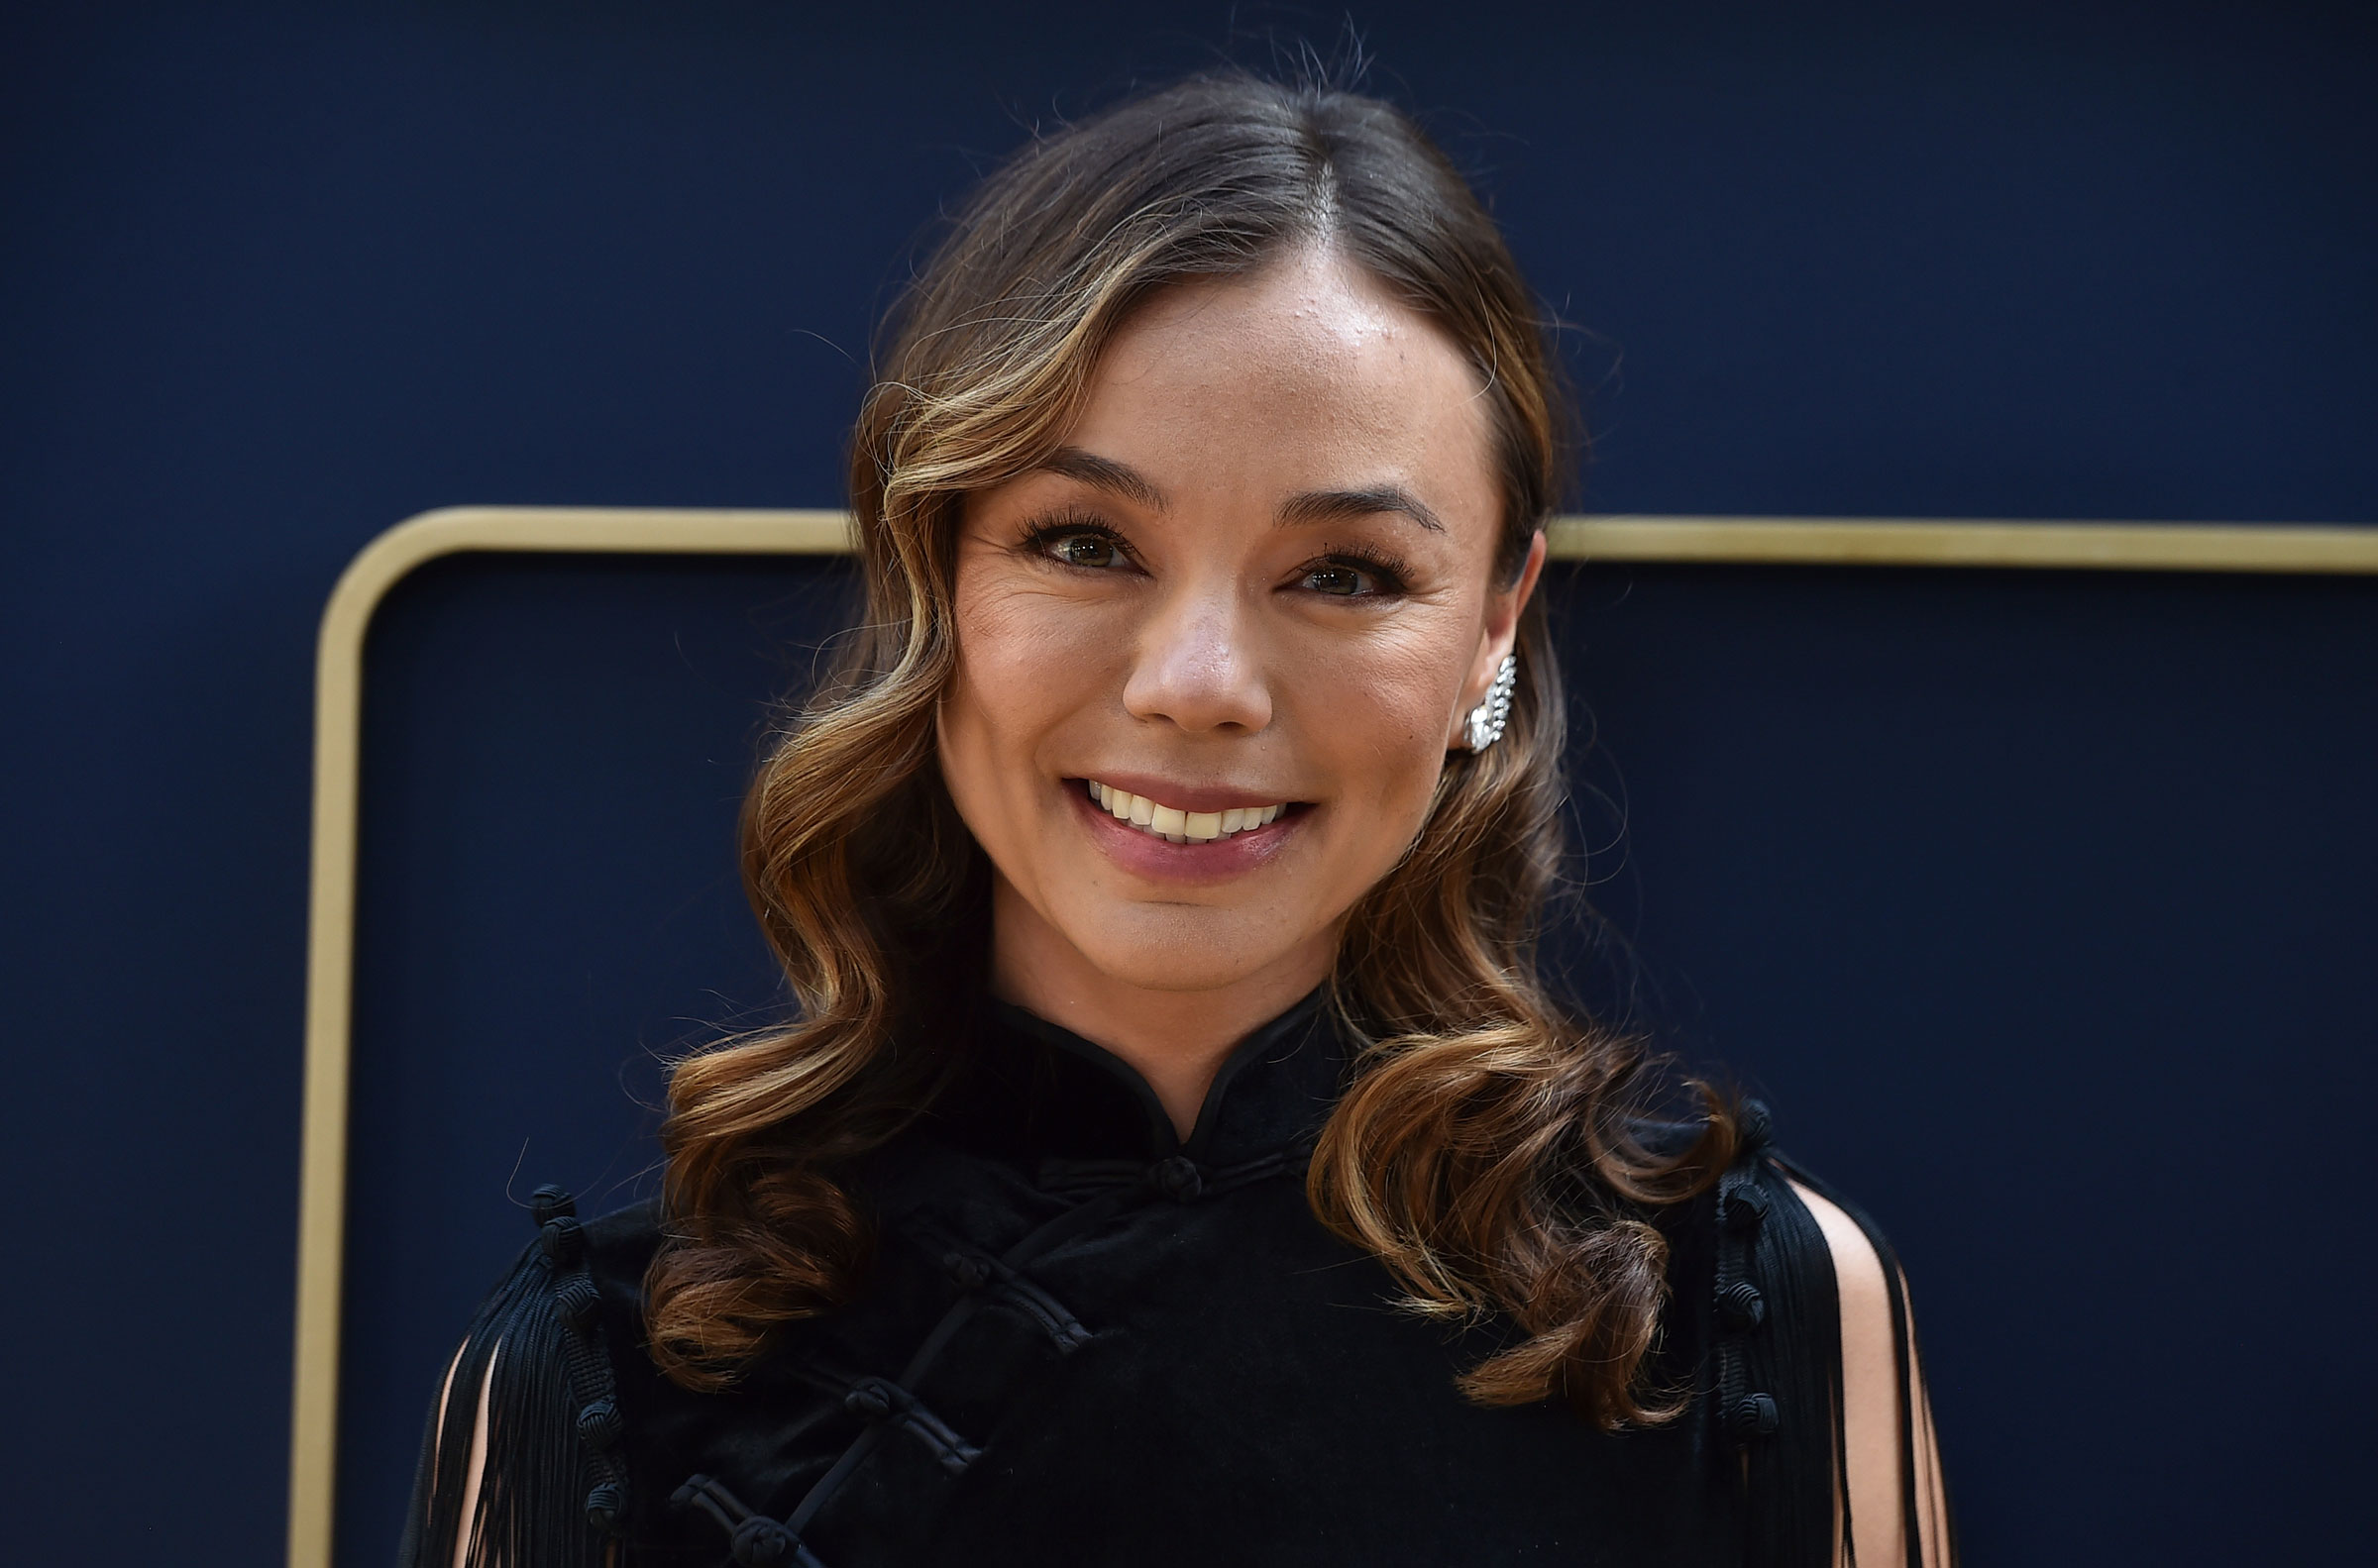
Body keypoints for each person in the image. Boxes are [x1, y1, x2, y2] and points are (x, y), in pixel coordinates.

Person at [403, 68, 1951, 1568]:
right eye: (1084, 542)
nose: (1201, 685)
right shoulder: (601, 1378)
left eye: (1342, 573)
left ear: (1495, 629)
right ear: (934, 579)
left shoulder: (1756, 1315)